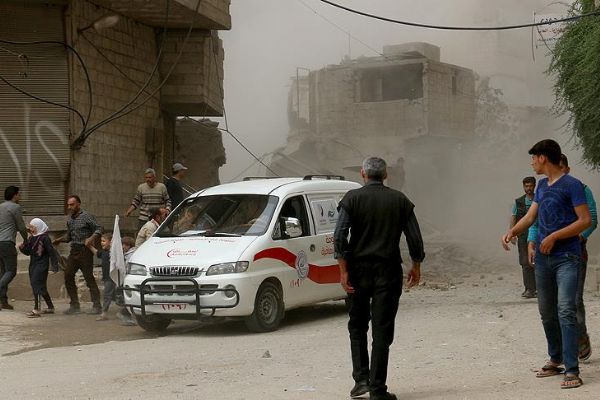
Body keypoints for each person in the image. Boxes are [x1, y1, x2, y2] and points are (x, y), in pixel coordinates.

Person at [501, 139, 591, 389]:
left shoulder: (573, 185)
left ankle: (572, 370)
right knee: (546, 312)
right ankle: (556, 358)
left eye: (533, 158)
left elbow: (584, 220)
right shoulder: (541, 186)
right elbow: (532, 216)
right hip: (543, 259)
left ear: (542, 158)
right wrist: (512, 232)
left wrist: (554, 236)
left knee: (566, 310)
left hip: (567, 257)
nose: (532, 163)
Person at [334, 157, 425, 400]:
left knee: (357, 325)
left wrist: (343, 270)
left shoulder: (351, 199)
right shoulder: (400, 200)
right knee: (382, 329)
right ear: (386, 175)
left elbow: (340, 236)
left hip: (357, 271)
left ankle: (360, 380)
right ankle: (377, 389)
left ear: (363, 174)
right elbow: (414, 237)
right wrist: (416, 265)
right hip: (388, 271)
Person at [527, 154, 597, 361]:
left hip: (572, 252)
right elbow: (536, 220)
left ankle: (580, 337)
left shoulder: (580, 189)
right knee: (550, 306)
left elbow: (590, 219)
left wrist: (575, 237)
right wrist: (531, 241)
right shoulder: (544, 188)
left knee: (572, 301)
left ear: (566, 169)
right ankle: (559, 354)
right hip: (547, 253)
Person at [53, 195, 103, 315]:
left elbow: (99, 228)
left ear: (78, 204)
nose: (69, 207)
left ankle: (97, 306)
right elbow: (69, 237)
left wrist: (91, 238)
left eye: (72, 204)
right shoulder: (70, 220)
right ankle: (74, 305)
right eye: (68, 205)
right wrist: (59, 240)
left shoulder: (86, 216)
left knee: (88, 277)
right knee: (68, 275)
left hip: (85, 251)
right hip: (74, 250)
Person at [19, 218, 59, 317]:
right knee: (40, 286)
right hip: (33, 264)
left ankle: (37, 309)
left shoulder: (45, 238)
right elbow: (29, 252)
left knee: (37, 285)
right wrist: (22, 248)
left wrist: (54, 266)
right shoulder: (31, 238)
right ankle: (50, 307)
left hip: (42, 264)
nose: (30, 229)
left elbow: (51, 252)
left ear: (38, 227)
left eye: (32, 227)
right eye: (30, 227)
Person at [0, 186, 28, 310]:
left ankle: (3, 302)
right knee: (11, 271)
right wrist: (26, 240)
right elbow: (21, 227)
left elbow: (9, 224)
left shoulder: (0, 207)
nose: (20, 197)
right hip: (7, 243)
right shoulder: (15, 207)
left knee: (3, 273)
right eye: (19, 194)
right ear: (14, 195)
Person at [509, 176, 537, 298]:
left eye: (530, 186)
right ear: (523, 187)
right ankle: (529, 289)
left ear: (534, 186)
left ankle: (540, 288)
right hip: (523, 235)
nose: (528, 188)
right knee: (525, 262)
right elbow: (513, 217)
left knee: (538, 261)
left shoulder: (539, 199)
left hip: (538, 234)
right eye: (526, 186)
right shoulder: (518, 202)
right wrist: (512, 233)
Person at [86, 233, 114, 321]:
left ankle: (126, 312)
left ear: (111, 242)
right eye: (101, 241)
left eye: (104, 241)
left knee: (117, 296)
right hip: (107, 278)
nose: (102, 243)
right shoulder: (104, 252)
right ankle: (104, 313)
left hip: (114, 277)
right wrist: (90, 246)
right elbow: (97, 253)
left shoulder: (114, 252)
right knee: (107, 295)